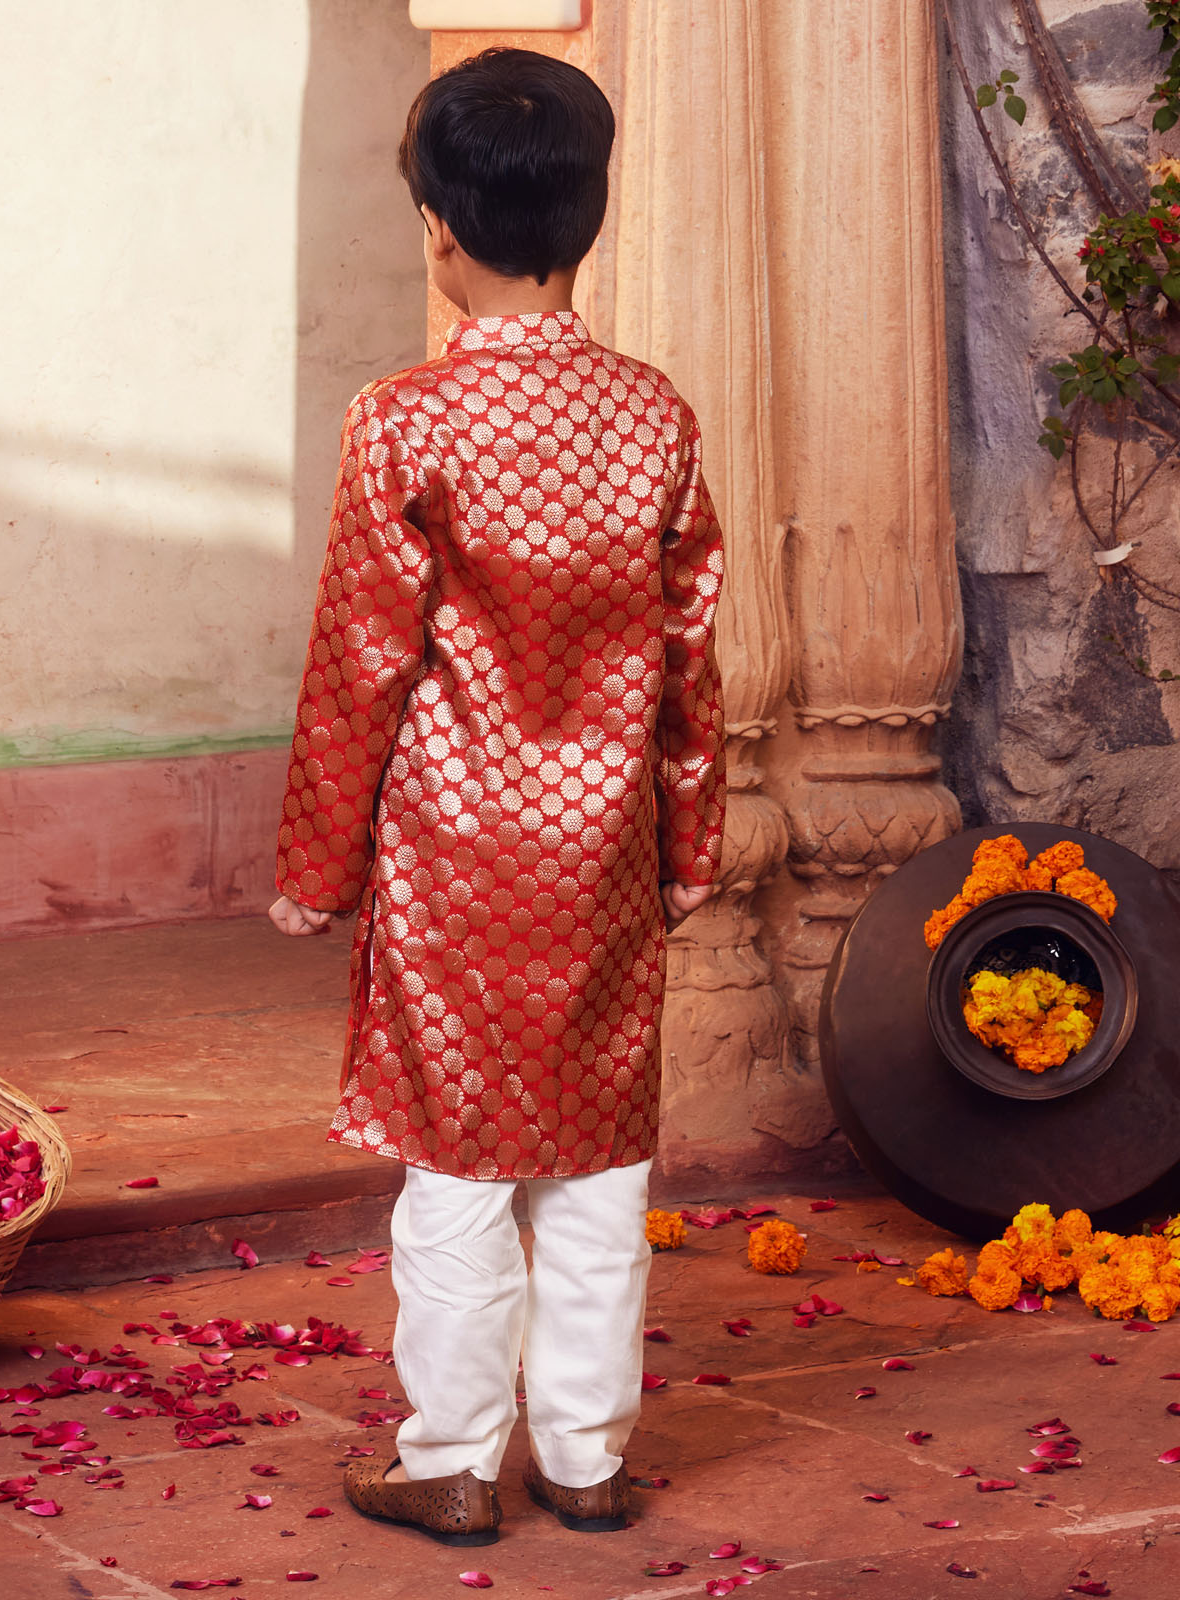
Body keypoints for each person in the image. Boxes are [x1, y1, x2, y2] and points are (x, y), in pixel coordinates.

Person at [270, 46, 725, 1546]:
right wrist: (691, 842)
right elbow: (690, 653)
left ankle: (452, 1459)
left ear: (438, 229)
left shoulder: (406, 420)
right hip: (600, 856)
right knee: (599, 1164)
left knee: (456, 1166)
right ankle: (585, 1458)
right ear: (588, 217)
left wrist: (318, 869)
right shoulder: (653, 416)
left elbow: (361, 663)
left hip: (454, 856)